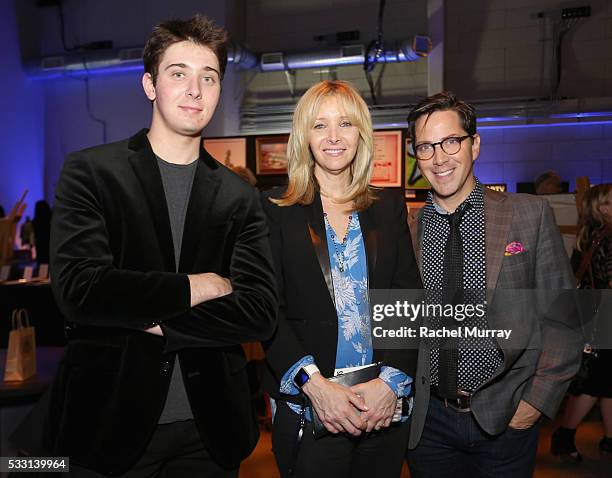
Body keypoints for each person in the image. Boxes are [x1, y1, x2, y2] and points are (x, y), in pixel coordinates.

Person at [13, 14, 277, 477]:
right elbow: (80, 291)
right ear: (150, 85)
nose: (195, 90)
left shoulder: (240, 196)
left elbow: (257, 309)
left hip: (210, 430)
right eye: (179, 74)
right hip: (109, 425)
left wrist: (156, 322)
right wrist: (192, 288)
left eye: (208, 77)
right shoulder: (91, 173)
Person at [404, 91, 582, 477]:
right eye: (425, 147)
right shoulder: (408, 229)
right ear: (415, 156)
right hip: (428, 422)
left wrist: (537, 401)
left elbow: (565, 316)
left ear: (475, 144)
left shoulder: (528, 214)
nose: (439, 157)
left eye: (451, 141)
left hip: (507, 418)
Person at [262, 80, 422, 478]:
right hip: (313, 408)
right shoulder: (274, 210)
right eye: (320, 125)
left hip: (382, 408)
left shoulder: (388, 207)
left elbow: (408, 298)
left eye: (345, 124)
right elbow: (267, 310)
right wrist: (315, 386)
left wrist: (391, 383)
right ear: (304, 136)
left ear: (361, 134)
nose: (333, 137)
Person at [551, 183, 612, 461]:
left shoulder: (589, 236)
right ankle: (563, 438)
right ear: (602, 208)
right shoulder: (609, 237)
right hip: (605, 316)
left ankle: (609, 440)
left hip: (593, 313)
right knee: (594, 384)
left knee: (603, 382)